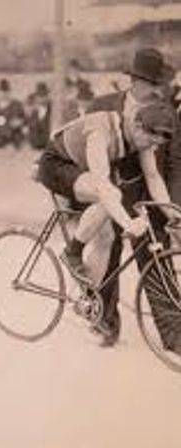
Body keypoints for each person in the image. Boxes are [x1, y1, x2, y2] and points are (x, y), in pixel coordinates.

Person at [36, 101, 177, 328]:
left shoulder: (142, 136)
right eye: (150, 141)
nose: (151, 147)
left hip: (84, 171)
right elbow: (102, 185)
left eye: (156, 144)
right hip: (57, 165)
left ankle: (89, 300)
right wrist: (128, 223)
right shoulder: (101, 131)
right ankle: (73, 252)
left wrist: (173, 214)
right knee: (110, 194)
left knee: (106, 239)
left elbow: (153, 177)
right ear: (138, 126)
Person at [87, 47, 181, 346]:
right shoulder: (102, 106)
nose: (159, 90)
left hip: (149, 198)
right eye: (154, 84)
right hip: (110, 197)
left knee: (157, 261)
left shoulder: (168, 113)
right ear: (136, 82)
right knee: (108, 259)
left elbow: (174, 164)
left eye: (160, 85)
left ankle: (174, 334)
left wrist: (172, 208)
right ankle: (105, 324)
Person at [0, 79, 26, 149]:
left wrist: (20, 123)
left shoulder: (17, 106)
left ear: (10, 92)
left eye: (6, 91)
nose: (4, 94)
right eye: (2, 91)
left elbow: (23, 121)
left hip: (12, 142)